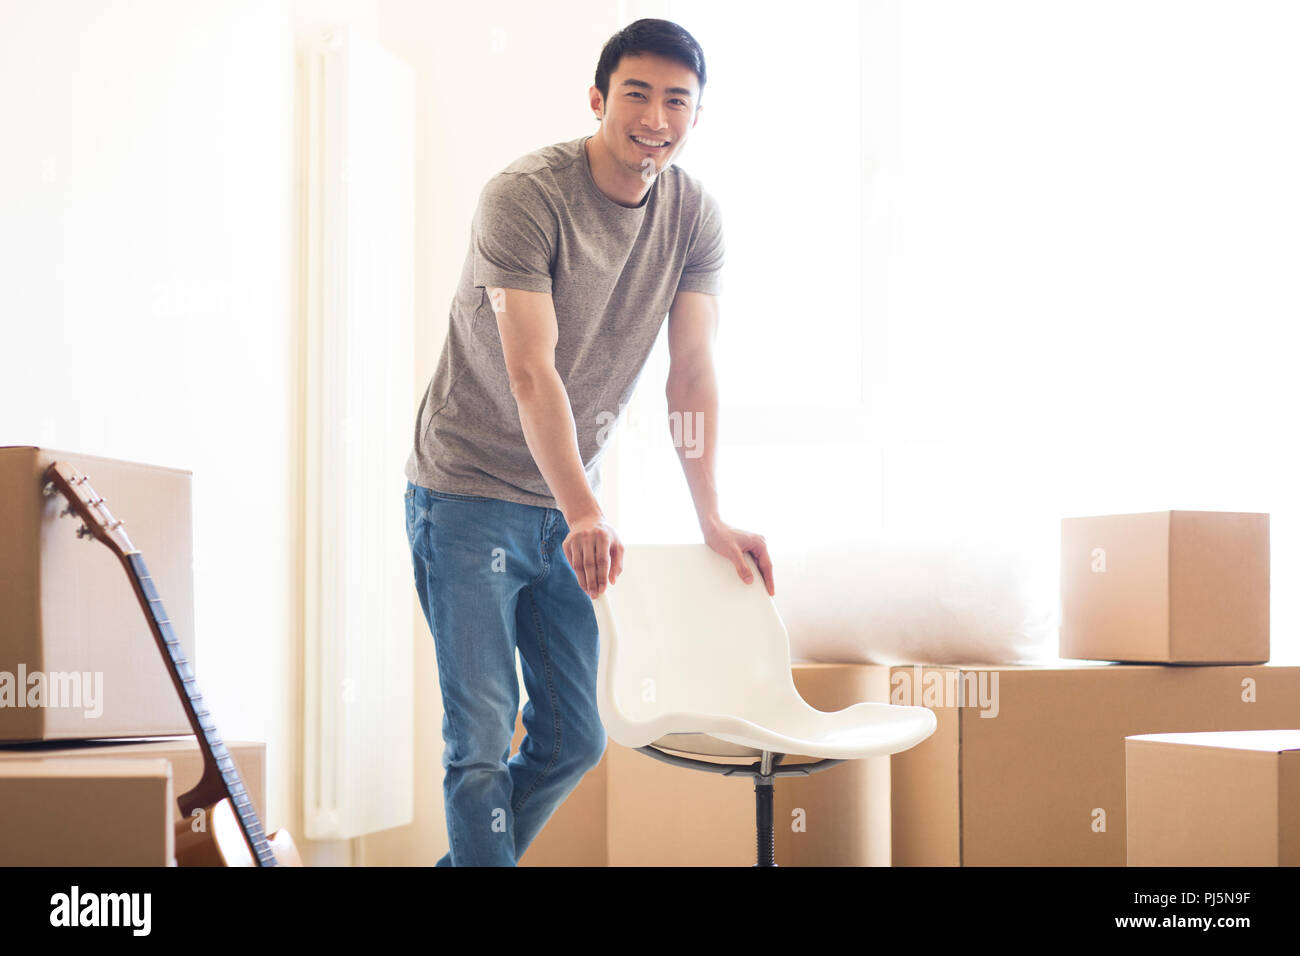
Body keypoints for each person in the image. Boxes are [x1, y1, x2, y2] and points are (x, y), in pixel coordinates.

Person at [403, 17, 774, 867]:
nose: (655, 116)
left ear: (696, 116)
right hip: (466, 495)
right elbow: (532, 372)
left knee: (575, 736)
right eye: (637, 93)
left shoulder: (693, 217)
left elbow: (692, 371)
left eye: (677, 100)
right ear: (599, 100)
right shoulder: (524, 196)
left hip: (569, 507)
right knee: (482, 737)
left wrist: (711, 514)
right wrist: (583, 509)